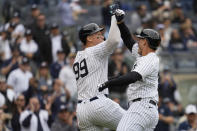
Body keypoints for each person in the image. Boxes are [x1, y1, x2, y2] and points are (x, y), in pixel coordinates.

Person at [98, 9, 161, 131]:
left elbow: (132, 77)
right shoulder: (143, 55)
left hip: (141, 107)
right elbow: (128, 40)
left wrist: (108, 82)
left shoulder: (150, 59)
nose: (138, 41)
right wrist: (121, 23)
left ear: (145, 42)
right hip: (147, 109)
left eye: (140, 39)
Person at [74, 9, 126, 131]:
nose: (102, 37)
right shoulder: (94, 51)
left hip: (82, 111)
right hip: (98, 104)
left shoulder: (77, 57)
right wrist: (115, 19)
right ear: (89, 39)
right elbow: (114, 40)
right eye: (98, 35)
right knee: (134, 125)